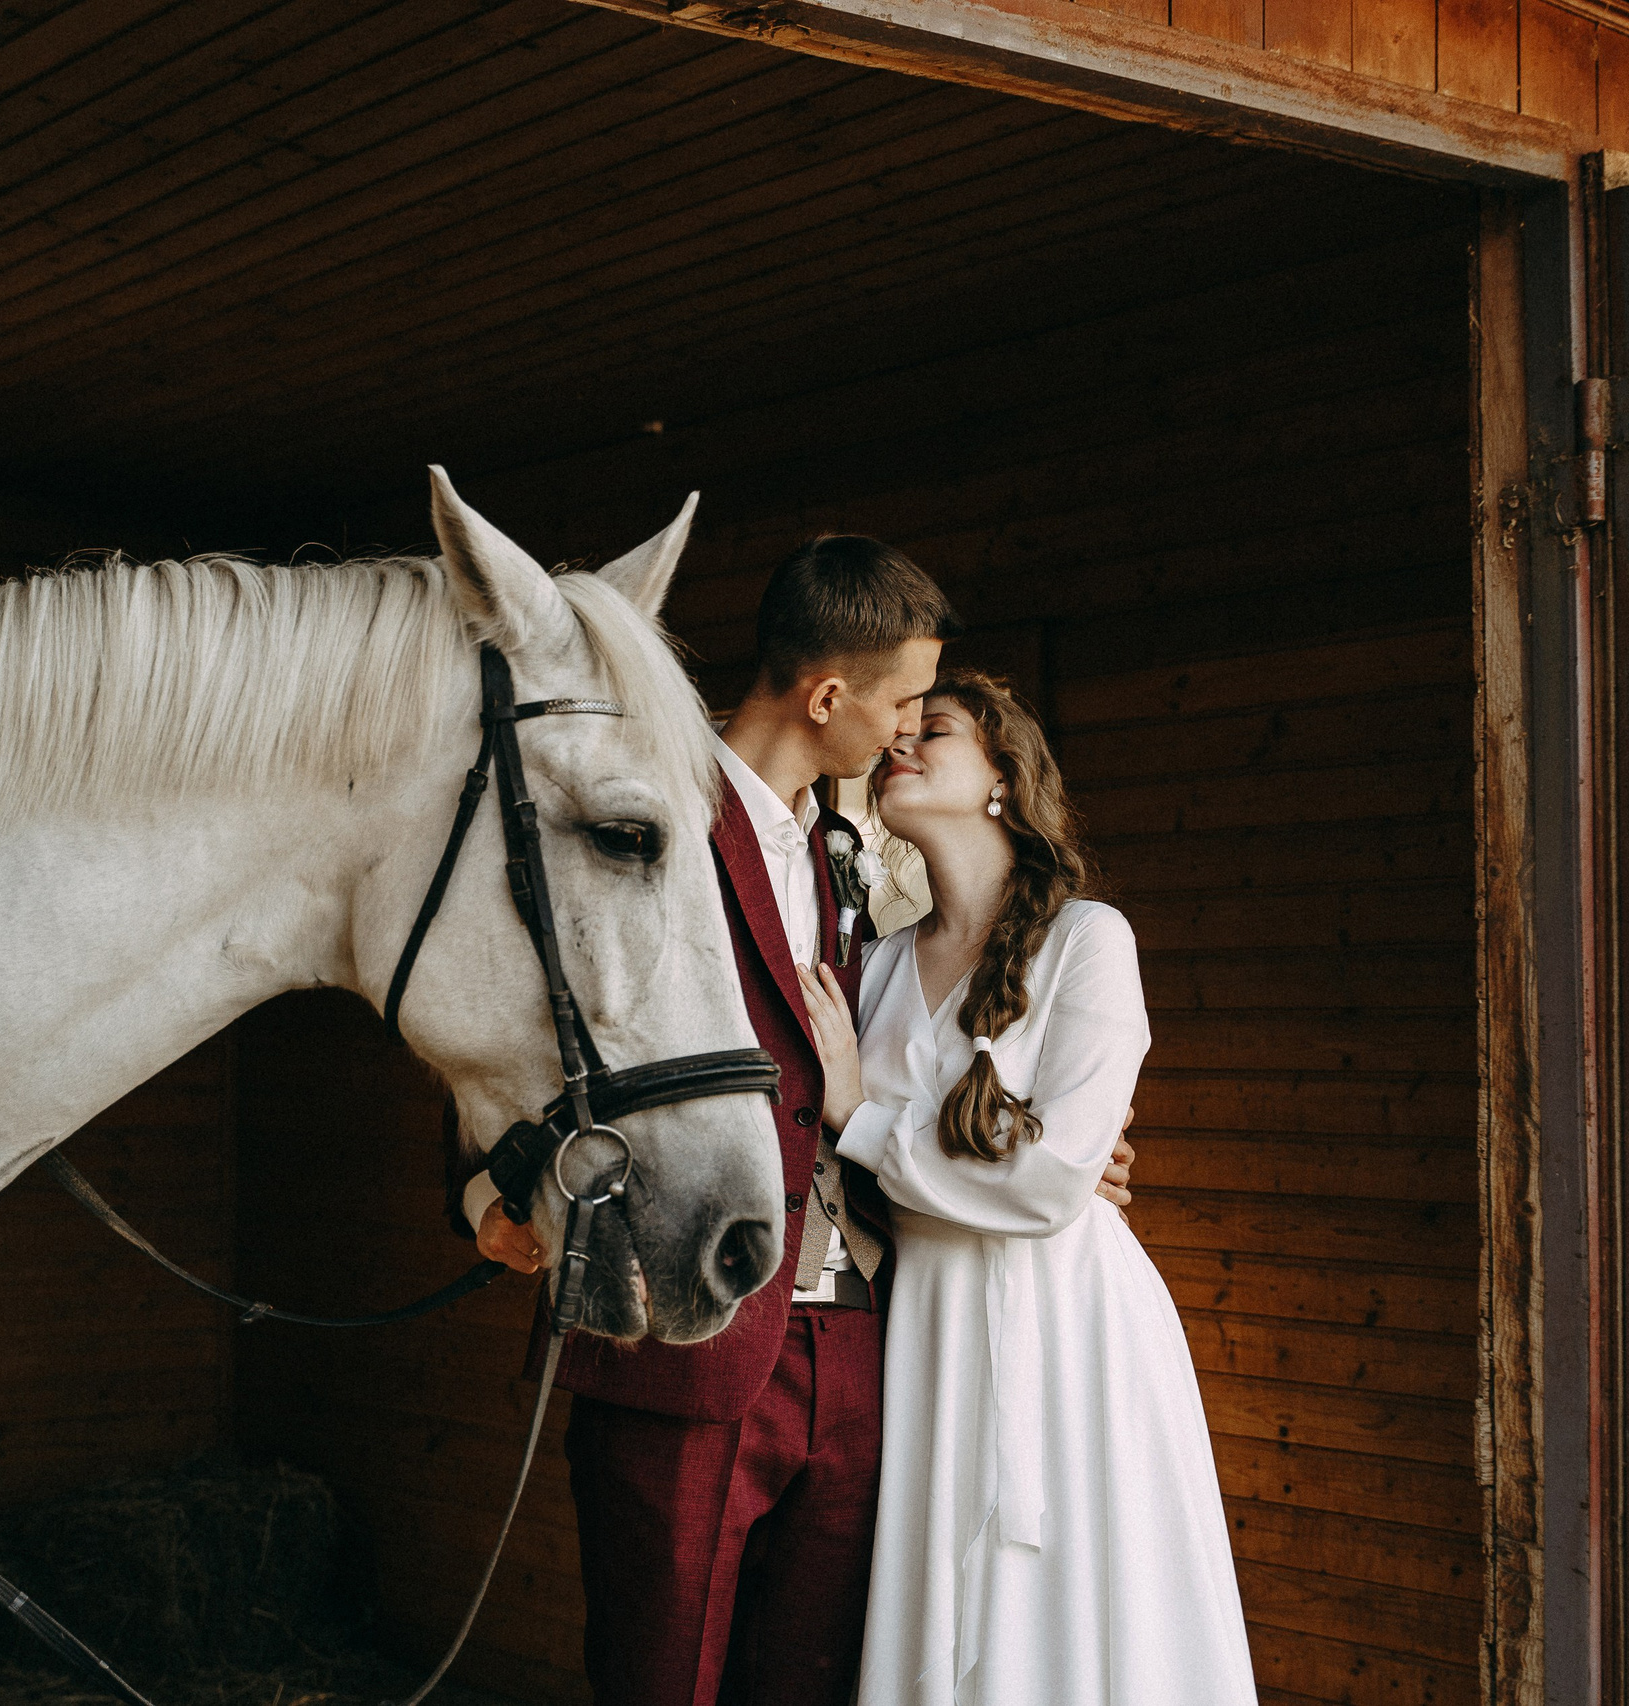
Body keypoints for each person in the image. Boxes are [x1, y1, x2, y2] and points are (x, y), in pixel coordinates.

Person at [460, 541, 1134, 1706]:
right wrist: (487, 1188)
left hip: (870, 1350)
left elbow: (943, 1063)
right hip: (684, 1344)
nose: (907, 731)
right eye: (903, 705)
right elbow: (502, 1012)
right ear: (829, 698)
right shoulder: (638, 820)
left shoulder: (855, 862)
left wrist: (1051, 1158)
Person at [799, 669, 1257, 1706]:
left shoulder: (1089, 942)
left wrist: (862, 1117)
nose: (900, 744)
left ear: (1002, 775)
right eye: (898, 732)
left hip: (1066, 1326)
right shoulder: (869, 969)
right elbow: (844, 1173)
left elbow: (1052, 1185)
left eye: (935, 730)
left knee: (1078, 1615)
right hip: (923, 1325)